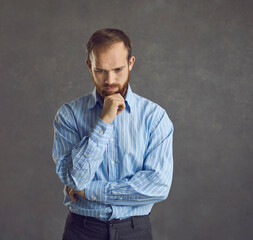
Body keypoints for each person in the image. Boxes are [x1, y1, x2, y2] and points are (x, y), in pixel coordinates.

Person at [52, 28, 174, 240]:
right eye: (100, 70)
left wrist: (89, 191)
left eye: (118, 69)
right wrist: (104, 121)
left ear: (131, 63)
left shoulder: (155, 117)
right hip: (82, 231)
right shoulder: (69, 115)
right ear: (89, 66)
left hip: (135, 231)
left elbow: (158, 185)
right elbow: (75, 179)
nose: (109, 80)